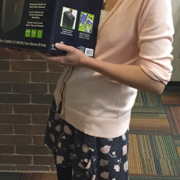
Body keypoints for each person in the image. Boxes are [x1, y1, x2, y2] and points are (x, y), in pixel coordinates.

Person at [9, 0, 174, 179]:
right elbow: (81, 45)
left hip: (99, 125)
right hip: (64, 109)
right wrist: (33, 42)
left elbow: (155, 80)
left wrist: (85, 62)